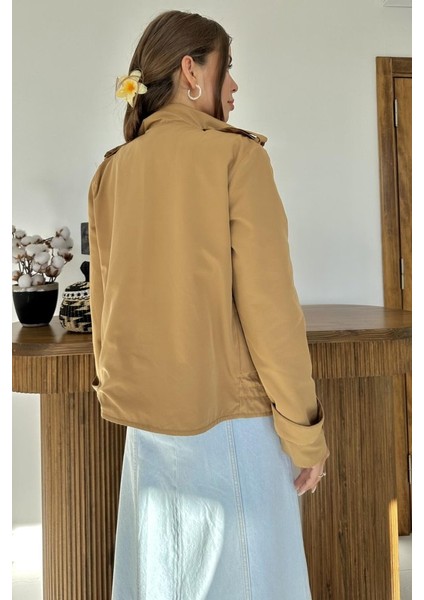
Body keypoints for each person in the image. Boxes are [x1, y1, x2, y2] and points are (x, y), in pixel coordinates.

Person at [88, 9, 329, 600]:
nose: (235, 85)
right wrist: (305, 434)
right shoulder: (238, 158)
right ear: (191, 71)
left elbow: (103, 308)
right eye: (229, 68)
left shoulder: (112, 172)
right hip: (234, 429)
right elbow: (271, 312)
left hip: (148, 433)